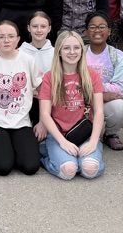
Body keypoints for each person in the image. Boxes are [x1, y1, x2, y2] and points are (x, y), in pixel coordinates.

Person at [39, 31, 105, 180]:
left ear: (82, 50)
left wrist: (93, 141)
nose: (72, 52)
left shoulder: (92, 75)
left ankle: (78, 159)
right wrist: (62, 142)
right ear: (59, 51)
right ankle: (46, 154)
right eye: (66, 48)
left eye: (76, 47)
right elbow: (44, 114)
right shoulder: (50, 77)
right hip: (59, 135)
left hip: (85, 134)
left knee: (90, 170)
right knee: (68, 171)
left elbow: (99, 111)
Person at [0, 20, 42, 176]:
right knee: (3, 167)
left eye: (11, 36)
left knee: (30, 167)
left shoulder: (28, 60)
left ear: (18, 39)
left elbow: (43, 93)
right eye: (1, 37)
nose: (6, 40)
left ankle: (11, 148)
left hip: (21, 122)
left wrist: (42, 122)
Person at [85, 11, 123, 151]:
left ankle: (110, 134)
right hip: (81, 101)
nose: (97, 31)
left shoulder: (118, 56)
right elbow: (74, 85)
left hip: (104, 102)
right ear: (86, 31)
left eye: (102, 27)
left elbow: (119, 89)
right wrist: (102, 94)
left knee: (120, 106)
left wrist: (92, 90)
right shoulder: (79, 53)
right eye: (92, 27)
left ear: (109, 31)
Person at [20, 10, 55, 139]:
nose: (39, 30)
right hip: (28, 100)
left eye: (43, 26)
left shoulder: (56, 53)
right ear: (29, 28)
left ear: (49, 28)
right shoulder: (20, 53)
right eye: (35, 26)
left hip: (51, 99)